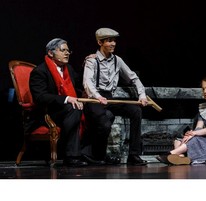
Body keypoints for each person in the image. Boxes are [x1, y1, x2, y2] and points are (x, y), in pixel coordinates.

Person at [81, 27, 148, 166]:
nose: (113, 44)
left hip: (109, 98)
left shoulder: (118, 60)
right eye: (109, 41)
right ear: (100, 42)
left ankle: (134, 155)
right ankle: (97, 156)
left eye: (114, 41)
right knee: (105, 121)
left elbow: (133, 77)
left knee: (136, 111)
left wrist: (142, 95)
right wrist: (97, 96)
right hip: (93, 99)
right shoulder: (92, 61)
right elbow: (87, 82)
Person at [29, 38, 87, 167]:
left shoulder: (69, 69)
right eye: (63, 50)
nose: (67, 53)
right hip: (49, 112)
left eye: (68, 50)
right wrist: (67, 99)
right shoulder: (40, 71)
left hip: (67, 110)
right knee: (74, 108)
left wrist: (88, 63)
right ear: (51, 53)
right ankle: (72, 156)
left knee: (98, 111)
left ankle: (91, 154)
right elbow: (40, 97)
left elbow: (79, 86)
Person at [156, 76, 206, 165]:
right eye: (203, 89)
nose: (205, 91)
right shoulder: (203, 107)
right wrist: (190, 135)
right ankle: (181, 157)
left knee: (195, 139)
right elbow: (199, 127)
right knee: (178, 140)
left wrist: (194, 134)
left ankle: (170, 154)